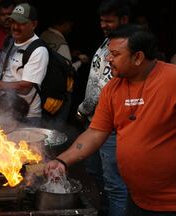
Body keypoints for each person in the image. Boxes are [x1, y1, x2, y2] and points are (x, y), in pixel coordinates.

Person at [45, 24, 176, 215]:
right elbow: (96, 132)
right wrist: (62, 161)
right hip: (138, 199)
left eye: (115, 54)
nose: (108, 59)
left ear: (138, 57)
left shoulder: (172, 80)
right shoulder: (112, 88)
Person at [76, 1, 130, 215]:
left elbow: (102, 88)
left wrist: (82, 108)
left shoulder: (124, 48)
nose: (103, 25)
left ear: (123, 20)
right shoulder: (107, 42)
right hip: (95, 123)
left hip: (111, 126)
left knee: (114, 184)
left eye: (109, 21)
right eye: (102, 20)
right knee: (95, 173)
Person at [0, 3, 48, 127]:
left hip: (27, 117)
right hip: (5, 111)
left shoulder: (38, 50)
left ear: (34, 24)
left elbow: (24, 87)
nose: (15, 27)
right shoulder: (10, 41)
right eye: (13, 22)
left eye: (21, 23)